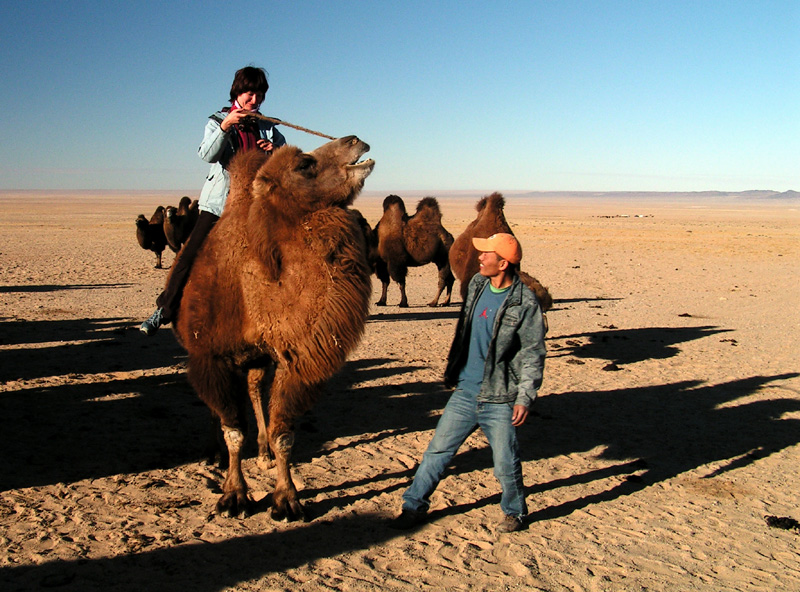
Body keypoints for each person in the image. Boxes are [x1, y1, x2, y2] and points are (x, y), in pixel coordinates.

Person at [390, 233, 547, 533]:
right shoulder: (476, 285)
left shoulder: (524, 303)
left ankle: (515, 512)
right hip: (465, 391)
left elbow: (533, 353)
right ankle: (413, 507)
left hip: (500, 396)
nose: (479, 257)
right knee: (437, 452)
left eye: (486, 254)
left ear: (503, 263)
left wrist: (525, 398)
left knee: (504, 462)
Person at [140, 66, 286, 335]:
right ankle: (165, 309)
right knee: (191, 253)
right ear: (238, 92)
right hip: (220, 203)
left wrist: (274, 150)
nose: (254, 100)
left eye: (259, 95)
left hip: (255, 204)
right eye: (249, 93)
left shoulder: (268, 125)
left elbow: (285, 160)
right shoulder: (217, 120)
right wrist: (224, 127)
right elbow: (206, 155)